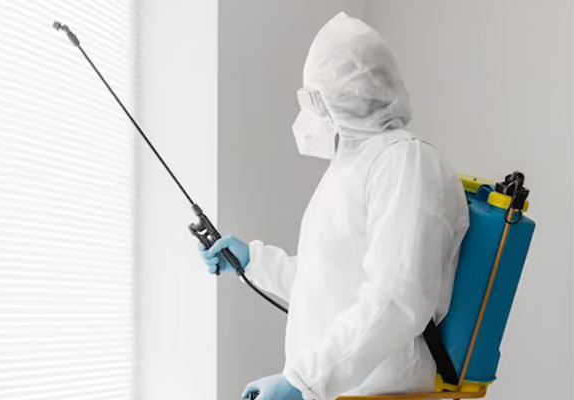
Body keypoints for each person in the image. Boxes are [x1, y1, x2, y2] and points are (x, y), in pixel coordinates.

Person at [199, 12, 469, 400]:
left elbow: (397, 299)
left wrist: (302, 382)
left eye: (314, 100)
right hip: (343, 391)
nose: (308, 115)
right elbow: (328, 282)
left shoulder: (404, 162)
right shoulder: (352, 166)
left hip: (383, 392)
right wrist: (253, 262)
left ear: (345, 97)